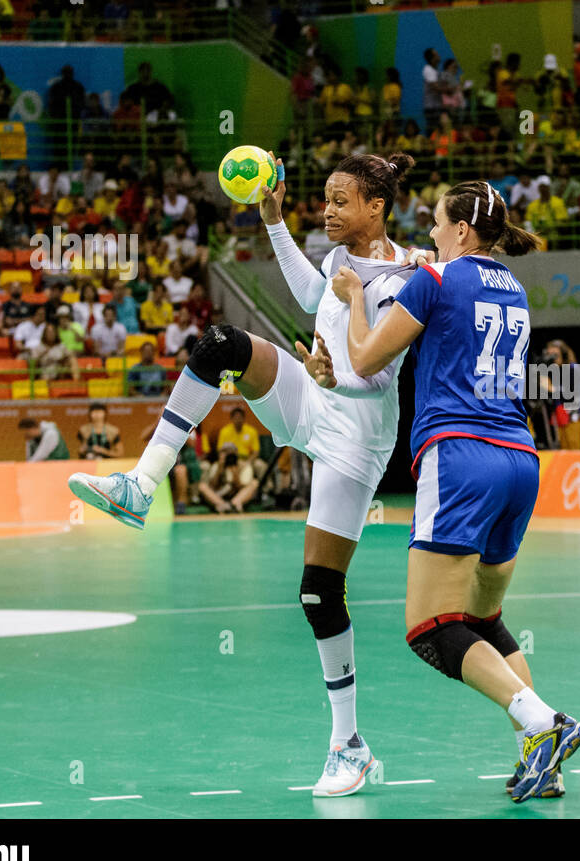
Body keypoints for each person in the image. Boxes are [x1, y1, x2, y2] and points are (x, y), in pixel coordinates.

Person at [68, 152, 431, 798]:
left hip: (358, 433)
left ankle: (349, 745)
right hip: (314, 395)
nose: (328, 209)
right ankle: (141, 486)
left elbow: (374, 371)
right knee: (221, 347)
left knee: (319, 592)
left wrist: (333, 363)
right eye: (324, 198)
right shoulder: (340, 261)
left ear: (376, 207)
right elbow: (314, 297)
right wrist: (274, 222)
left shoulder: (404, 278)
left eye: (341, 201)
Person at [316, 179, 580, 802]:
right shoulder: (513, 287)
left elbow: (363, 361)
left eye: (436, 223)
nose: (429, 233)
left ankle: (546, 723)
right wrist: (423, 265)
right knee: (484, 618)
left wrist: (356, 295)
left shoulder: (434, 281)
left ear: (461, 230)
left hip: (460, 458)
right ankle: (544, 759)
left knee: (430, 627)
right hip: (520, 459)